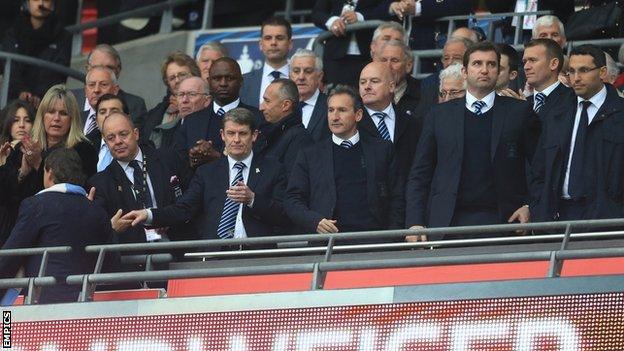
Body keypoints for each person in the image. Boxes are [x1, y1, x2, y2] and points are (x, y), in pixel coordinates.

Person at [405, 42, 540, 240]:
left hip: (505, 221)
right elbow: (420, 173)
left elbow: (539, 166)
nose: (485, 70)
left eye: (492, 65)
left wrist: (530, 206)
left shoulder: (519, 111)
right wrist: (415, 222)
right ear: (465, 71)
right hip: (447, 221)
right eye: (477, 63)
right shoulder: (438, 115)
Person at [122, 108, 288, 242]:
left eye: (242, 133)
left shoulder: (273, 169)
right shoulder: (207, 172)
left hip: (258, 255)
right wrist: (149, 214)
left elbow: (284, 215)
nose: (236, 140)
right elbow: (184, 209)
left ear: (254, 136)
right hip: (215, 256)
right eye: (231, 133)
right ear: (222, 135)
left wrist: (253, 199)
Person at [285, 85, 404, 237]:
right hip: (327, 243)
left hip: (375, 242)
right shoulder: (310, 154)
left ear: (358, 115)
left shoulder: (382, 150)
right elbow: (292, 199)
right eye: (330, 110)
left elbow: (398, 197)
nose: (334, 117)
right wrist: (315, 221)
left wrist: (391, 237)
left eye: (342, 110)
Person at [0, 148, 114, 304]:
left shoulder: (36, 205)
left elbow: (10, 257)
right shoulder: (96, 210)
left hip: (40, 304)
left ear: (49, 172)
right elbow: (112, 261)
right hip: (85, 305)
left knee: (7, 326)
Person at [531, 44, 624, 222]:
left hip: (609, 218)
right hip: (558, 216)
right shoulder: (557, 113)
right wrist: (539, 206)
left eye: (584, 70)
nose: (576, 78)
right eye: (571, 71)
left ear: (603, 72)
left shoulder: (620, 114)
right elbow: (539, 168)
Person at [89, 112, 192, 244]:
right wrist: (111, 228)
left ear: (136, 134)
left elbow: (190, 202)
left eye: (123, 134)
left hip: (176, 246)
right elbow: (97, 231)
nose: (118, 141)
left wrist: (162, 217)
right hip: (134, 257)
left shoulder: (168, 159)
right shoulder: (100, 183)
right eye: (111, 138)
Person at [174, 57, 261, 169]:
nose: (223, 83)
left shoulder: (257, 118)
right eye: (217, 78)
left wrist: (217, 158)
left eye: (229, 78)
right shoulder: (191, 121)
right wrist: (193, 158)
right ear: (209, 82)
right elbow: (178, 163)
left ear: (241, 82)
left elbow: (260, 161)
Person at [17, 84, 98, 200]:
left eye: (63, 113)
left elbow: (78, 194)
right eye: (51, 112)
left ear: (72, 118)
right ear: (42, 115)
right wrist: (22, 174)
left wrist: (38, 163)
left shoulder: (84, 150)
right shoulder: (25, 146)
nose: (56, 118)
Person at [358, 61, 422, 180]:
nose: (367, 86)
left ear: (391, 86)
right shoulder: (351, 123)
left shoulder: (411, 124)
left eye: (374, 81)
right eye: (362, 82)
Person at [1, 0, 71, 106]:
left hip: (46, 104)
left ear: (53, 4)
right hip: (13, 102)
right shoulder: (13, 33)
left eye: (46, 0)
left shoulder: (63, 37)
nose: (41, 3)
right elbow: (10, 69)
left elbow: (59, 73)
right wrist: (21, 91)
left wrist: (39, 95)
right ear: (27, 2)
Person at [311, 0, 392, 88]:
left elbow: (387, 10)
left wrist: (360, 17)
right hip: (335, 57)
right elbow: (317, 13)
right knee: (334, 96)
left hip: (367, 56)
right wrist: (332, 21)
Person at [73, 44, 147, 127]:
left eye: (109, 68)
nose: (102, 72)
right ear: (87, 69)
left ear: (118, 71)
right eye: (97, 67)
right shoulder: (69, 99)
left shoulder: (134, 106)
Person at [141, 52, 201, 146]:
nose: (177, 80)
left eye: (182, 74)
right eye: (172, 78)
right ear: (168, 83)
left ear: (194, 74)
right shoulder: (156, 113)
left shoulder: (207, 104)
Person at [256, 79, 313, 174]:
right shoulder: (266, 132)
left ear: (286, 105)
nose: (261, 107)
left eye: (267, 101)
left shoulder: (300, 140)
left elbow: (294, 183)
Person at [0, 100, 35, 245]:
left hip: (20, 224)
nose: (21, 125)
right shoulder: (4, 150)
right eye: (16, 120)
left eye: (27, 120)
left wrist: (22, 173)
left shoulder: (36, 152)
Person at [239, 17, 293, 107]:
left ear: (290, 44)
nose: (273, 42)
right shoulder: (243, 82)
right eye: (268, 38)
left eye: (279, 38)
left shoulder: (301, 80)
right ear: (260, 44)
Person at [521, 39, 573, 121]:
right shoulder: (523, 103)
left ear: (553, 64)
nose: (526, 67)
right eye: (524, 62)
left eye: (533, 60)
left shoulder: (573, 100)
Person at [420, 36, 474, 111]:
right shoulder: (429, 84)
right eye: (446, 58)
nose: (449, 62)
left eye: (457, 58)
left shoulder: (476, 82)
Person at [289, 49, 331, 142]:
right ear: (290, 76)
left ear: (319, 76)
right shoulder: (282, 106)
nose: (301, 77)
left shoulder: (330, 106)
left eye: (308, 71)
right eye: (296, 71)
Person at [375, 39, 423, 119]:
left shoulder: (424, 92)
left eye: (394, 60)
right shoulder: (367, 92)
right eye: (384, 60)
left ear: (408, 66)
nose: (388, 66)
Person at [80, 66, 120, 148]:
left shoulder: (125, 119)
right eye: (91, 85)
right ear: (85, 91)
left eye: (103, 84)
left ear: (115, 90)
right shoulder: (75, 118)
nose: (96, 90)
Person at [93, 94, 129, 172]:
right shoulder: (87, 144)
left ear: (127, 118)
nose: (107, 115)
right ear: (96, 120)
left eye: (114, 111)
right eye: (102, 112)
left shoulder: (139, 145)